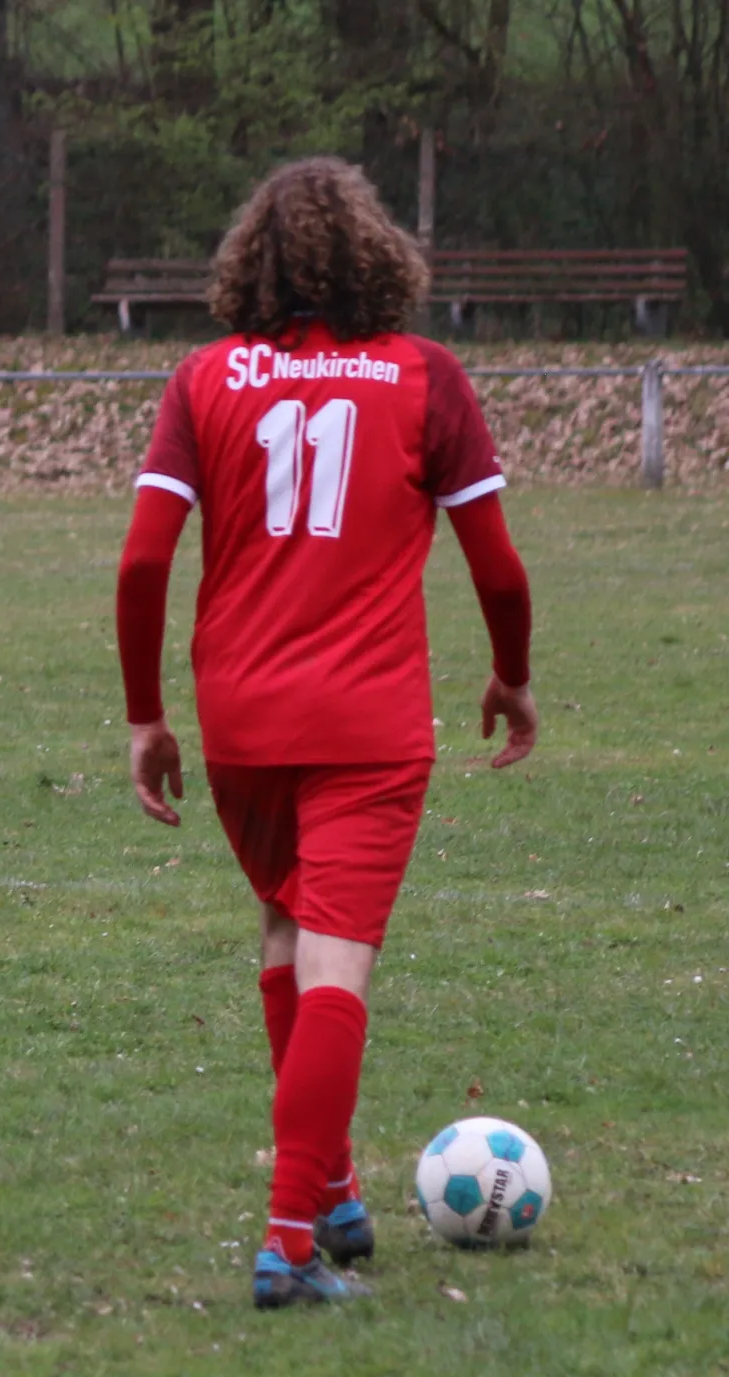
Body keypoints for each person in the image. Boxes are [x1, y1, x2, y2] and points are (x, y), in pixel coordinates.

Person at [114, 157, 538, 1309]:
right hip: (366, 721)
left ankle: (336, 1185)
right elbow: (495, 564)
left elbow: (144, 557)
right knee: (335, 959)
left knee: (280, 929)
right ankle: (289, 1243)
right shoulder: (422, 376)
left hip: (238, 720)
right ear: (374, 254)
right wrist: (508, 676)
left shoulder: (205, 377)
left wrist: (145, 716)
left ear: (250, 260)